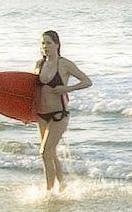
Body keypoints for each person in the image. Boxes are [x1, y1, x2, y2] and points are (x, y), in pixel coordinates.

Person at [34, 29, 91, 191]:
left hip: (59, 115)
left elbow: (87, 81)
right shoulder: (39, 64)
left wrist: (67, 88)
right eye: (43, 43)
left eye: (49, 43)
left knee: (44, 152)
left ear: (57, 45)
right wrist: (25, 114)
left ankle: (49, 192)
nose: (45, 46)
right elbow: (34, 92)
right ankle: (62, 184)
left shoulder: (65, 64)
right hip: (41, 114)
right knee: (50, 152)